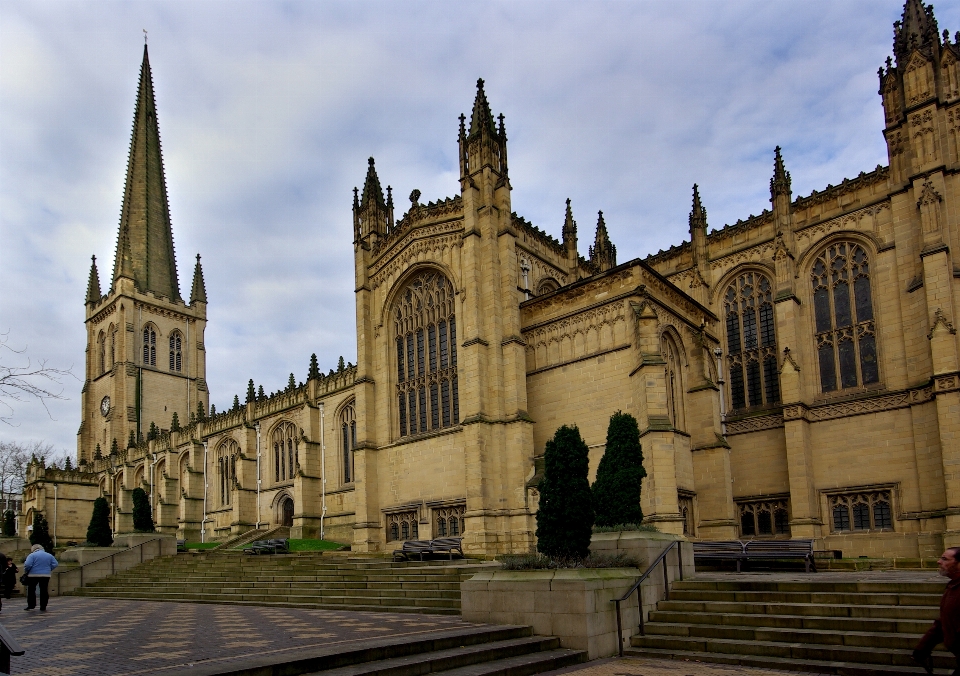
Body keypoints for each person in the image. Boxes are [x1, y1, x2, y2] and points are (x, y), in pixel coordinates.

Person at [915, 547, 960, 674]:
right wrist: (923, 647)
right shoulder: (953, 587)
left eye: (945, 559)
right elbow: (943, 622)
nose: (938, 561)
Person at [22, 544, 57, 612]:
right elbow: (55, 564)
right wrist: (49, 569)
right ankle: (43, 606)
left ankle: (31, 605)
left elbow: (27, 564)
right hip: (45, 575)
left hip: (33, 575)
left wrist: (27, 571)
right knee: (44, 590)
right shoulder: (49, 555)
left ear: (33, 549)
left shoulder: (32, 555)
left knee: (31, 590)